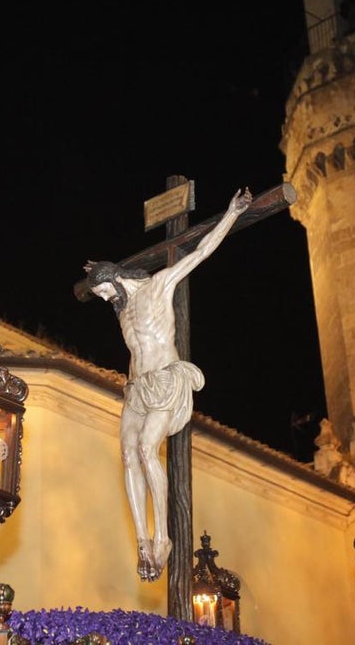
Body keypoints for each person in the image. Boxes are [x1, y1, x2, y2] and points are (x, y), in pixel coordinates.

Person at [85, 187, 253, 582]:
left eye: (106, 291)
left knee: (147, 448)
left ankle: (163, 537)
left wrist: (231, 213)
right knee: (127, 454)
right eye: (101, 295)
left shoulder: (160, 285)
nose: (108, 299)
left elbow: (200, 253)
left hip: (165, 380)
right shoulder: (121, 310)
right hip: (138, 385)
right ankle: (142, 541)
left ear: (119, 279)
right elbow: (133, 347)